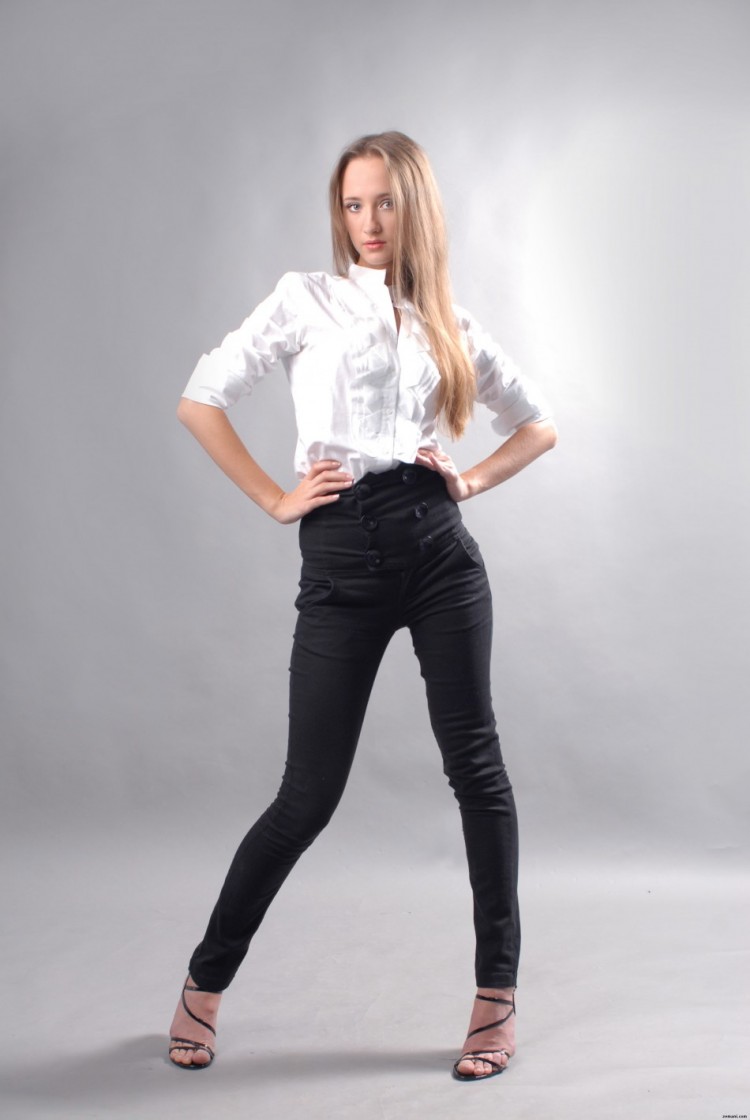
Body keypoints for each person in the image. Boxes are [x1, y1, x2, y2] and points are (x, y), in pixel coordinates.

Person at [169, 130, 557, 1082]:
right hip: (340, 554)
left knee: (478, 771)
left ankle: (496, 997)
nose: (369, 222)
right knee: (307, 796)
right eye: (353, 204)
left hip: (437, 552)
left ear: (414, 208)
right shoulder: (303, 298)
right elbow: (201, 398)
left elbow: (538, 424)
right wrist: (275, 497)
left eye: (385, 202)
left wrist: (467, 481)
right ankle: (202, 987)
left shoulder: (447, 320)